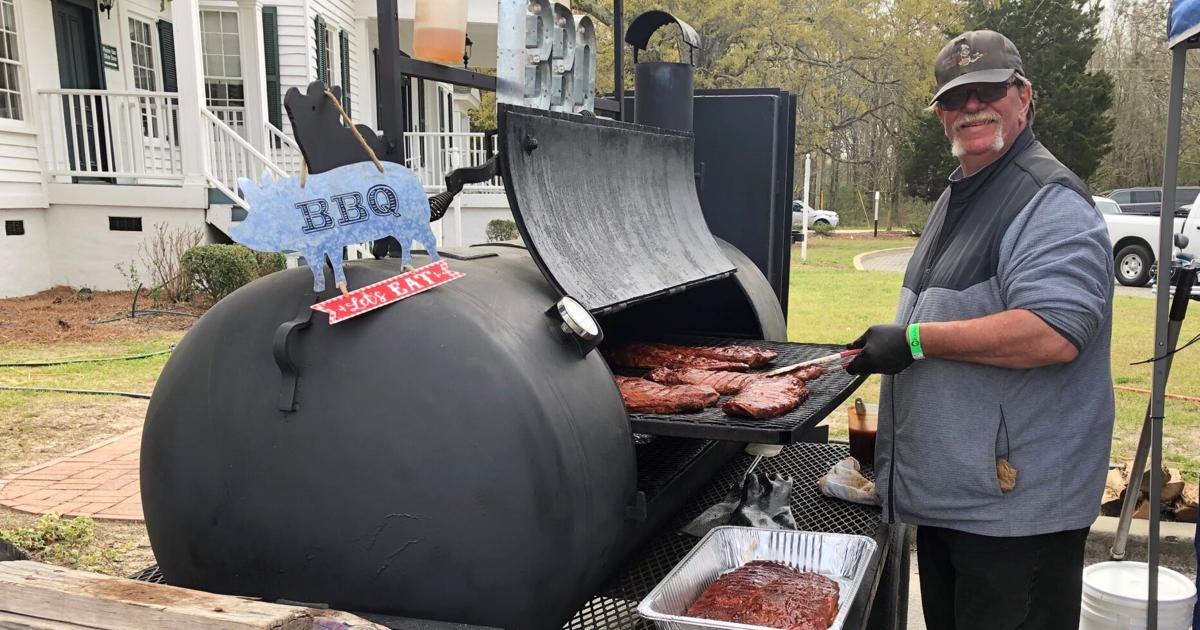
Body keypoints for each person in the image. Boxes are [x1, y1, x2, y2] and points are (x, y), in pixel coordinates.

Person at [845, 30, 1114, 630]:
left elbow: (1053, 332)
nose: (971, 107)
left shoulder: (1047, 198)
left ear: (1023, 96)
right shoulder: (962, 193)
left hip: (1015, 515)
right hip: (957, 501)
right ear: (941, 114)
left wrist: (914, 341)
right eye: (955, 98)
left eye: (987, 91)